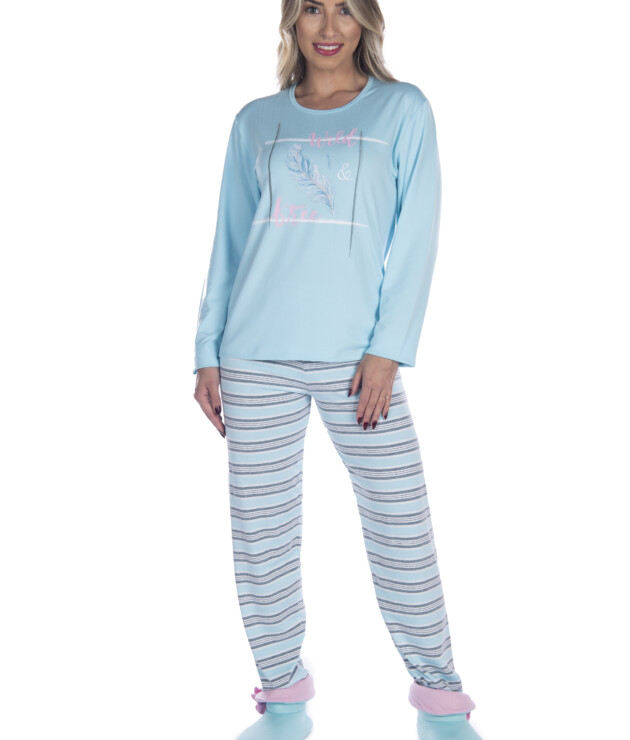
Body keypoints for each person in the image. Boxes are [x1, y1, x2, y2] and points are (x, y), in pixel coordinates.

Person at [193, 1, 484, 738]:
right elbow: (229, 241)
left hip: (359, 359)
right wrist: (206, 350)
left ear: (366, 22)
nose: (329, 26)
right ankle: (283, 699)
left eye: (346, 9)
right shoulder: (255, 121)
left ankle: (441, 699)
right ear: (291, 21)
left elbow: (418, 233)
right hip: (253, 353)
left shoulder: (402, 109)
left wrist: (389, 347)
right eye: (313, 9)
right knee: (261, 536)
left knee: (400, 524)